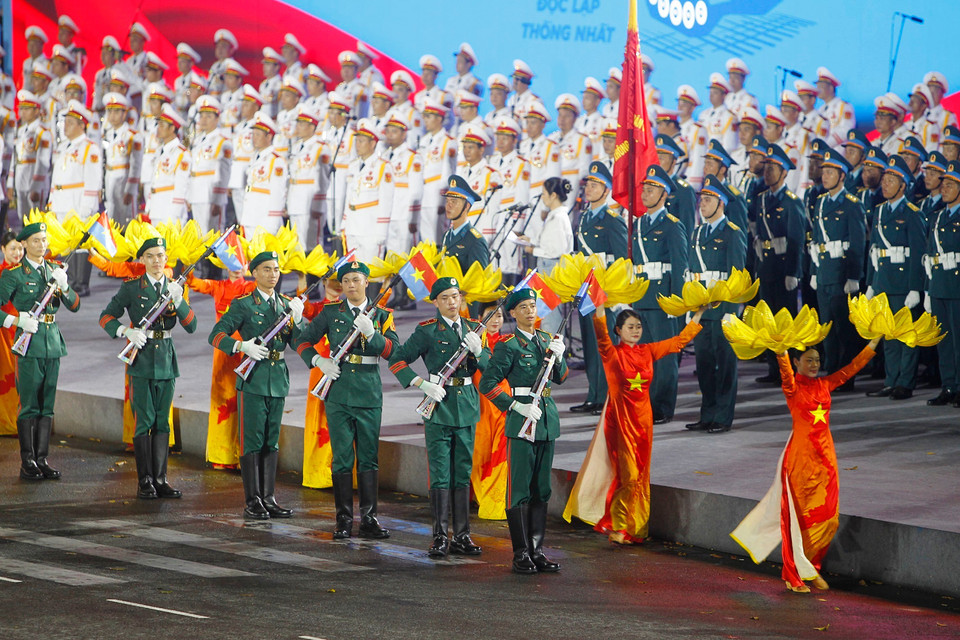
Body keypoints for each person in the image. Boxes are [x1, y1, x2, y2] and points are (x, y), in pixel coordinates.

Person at [731, 338, 879, 593]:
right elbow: (785, 372)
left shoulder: (824, 384)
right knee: (799, 519)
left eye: (817, 360)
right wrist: (781, 350)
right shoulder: (792, 388)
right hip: (800, 460)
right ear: (797, 361)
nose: (814, 364)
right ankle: (794, 574)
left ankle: (810, 567)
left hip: (826, 459)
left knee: (828, 518)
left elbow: (852, 368)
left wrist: (874, 341)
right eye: (808, 359)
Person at [566, 303, 705, 544]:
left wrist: (700, 313)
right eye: (630, 327)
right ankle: (618, 526)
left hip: (644, 421)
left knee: (640, 474)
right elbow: (601, 333)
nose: (635, 330)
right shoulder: (611, 353)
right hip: (620, 420)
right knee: (627, 474)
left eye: (638, 326)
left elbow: (679, 342)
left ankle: (634, 527)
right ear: (618, 330)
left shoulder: (648, 351)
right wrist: (601, 308)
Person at [295, 260, 398, 538]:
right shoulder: (331, 312)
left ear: (367, 282)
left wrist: (371, 333)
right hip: (338, 393)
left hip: (368, 392)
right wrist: (318, 360)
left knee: (368, 458)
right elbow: (303, 340)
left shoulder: (382, 314)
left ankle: (369, 518)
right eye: (347, 280)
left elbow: (394, 351)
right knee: (342, 457)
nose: (352, 285)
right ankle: (343, 519)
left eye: (357, 279)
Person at [389, 277, 488, 557]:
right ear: (436, 302)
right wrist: (421, 383)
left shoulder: (472, 329)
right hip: (439, 406)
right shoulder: (428, 331)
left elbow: (491, 369)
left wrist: (479, 351)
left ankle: (463, 535)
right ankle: (441, 535)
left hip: (467, 405)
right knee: (441, 474)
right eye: (445, 298)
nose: (452, 303)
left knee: (462, 473)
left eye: (455, 297)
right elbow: (397, 360)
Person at [209, 250, 305, 519]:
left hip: (277, 380)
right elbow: (215, 336)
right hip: (252, 380)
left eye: (276, 270)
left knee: (271, 442)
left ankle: (269, 498)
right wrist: (241, 346)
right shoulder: (243, 305)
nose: (272, 274)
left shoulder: (285, 304)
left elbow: (299, 342)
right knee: (252, 441)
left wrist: (299, 320)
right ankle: (252, 500)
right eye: (266, 269)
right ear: (255, 273)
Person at [100, 237, 197, 499]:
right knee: (144, 422)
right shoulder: (132, 288)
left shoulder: (174, 289)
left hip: (166, 360)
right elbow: (106, 316)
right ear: (142, 260)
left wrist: (179, 301)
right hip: (141, 361)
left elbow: (192, 326)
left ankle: (161, 479)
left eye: (161, 256)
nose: (157, 261)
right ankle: (145, 480)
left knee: (162, 422)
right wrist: (125, 331)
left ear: (167, 260)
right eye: (151, 256)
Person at [478, 287, 567, 573]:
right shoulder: (509, 345)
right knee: (520, 489)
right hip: (522, 421)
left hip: (546, 420)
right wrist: (514, 406)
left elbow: (561, 377)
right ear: (513, 313)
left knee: (542, 488)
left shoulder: (545, 340)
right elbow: (487, 385)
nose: (531, 311)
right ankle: (520, 553)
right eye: (524, 307)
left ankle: (537, 550)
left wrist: (560, 355)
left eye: (533, 305)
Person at [0, 222, 79, 479]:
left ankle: (42, 458)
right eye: (36, 241)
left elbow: (75, 306)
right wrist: (16, 321)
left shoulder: (55, 270)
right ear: (24, 244)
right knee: (30, 405)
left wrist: (65, 286)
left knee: (47, 405)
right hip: (29, 343)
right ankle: (28, 462)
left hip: (52, 343)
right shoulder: (14, 274)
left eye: (44, 240)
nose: (42, 245)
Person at [686, 176, 747, 434]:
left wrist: (734, 311)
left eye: (708, 200)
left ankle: (722, 416)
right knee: (705, 365)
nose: (702, 204)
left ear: (720, 203)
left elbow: (737, 276)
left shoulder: (732, 233)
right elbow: (692, 272)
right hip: (702, 309)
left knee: (725, 364)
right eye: (701, 199)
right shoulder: (698, 232)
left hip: (723, 308)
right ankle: (707, 413)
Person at [865, 156, 925, 400]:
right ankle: (891, 380)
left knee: (906, 335)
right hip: (883, 281)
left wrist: (915, 288)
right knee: (888, 335)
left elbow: (918, 253)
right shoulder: (879, 212)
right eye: (885, 179)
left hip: (903, 284)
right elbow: (874, 251)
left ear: (903, 185)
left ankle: (905, 382)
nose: (885, 184)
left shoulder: (911, 212)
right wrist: (871, 283)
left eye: (891, 180)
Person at [632, 165, 689, 424]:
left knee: (665, 357)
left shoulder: (672, 225)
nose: (645, 192)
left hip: (663, 298)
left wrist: (677, 302)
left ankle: (663, 408)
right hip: (642, 296)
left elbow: (680, 267)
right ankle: (647, 404)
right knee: (644, 356)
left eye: (652, 188)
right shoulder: (639, 223)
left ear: (664, 194)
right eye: (644, 188)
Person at [185, 265, 256, 469]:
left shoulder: (251, 288)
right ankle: (223, 455)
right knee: (223, 400)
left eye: (241, 264)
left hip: (246, 350)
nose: (237, 269)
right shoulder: (217, 286)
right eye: (232, 264)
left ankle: (243, 454)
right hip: (224, 351)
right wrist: (188, 262)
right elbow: (193, 283)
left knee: (244, 401)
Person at [572, 161, 627, 415]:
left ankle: (607, 395)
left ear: (606, 190)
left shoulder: (613, 219)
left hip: (603, 290)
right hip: (586, 289)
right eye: (588, 185)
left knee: (605, 344)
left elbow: (621, 260)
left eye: (595, 185)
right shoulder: (584, 217)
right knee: (590, 345)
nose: (589, 189)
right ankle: (594, 394)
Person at [809, 150, 867, 386]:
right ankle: (831, 371)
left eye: (831, 172)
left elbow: (857, 243)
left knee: (844, 328)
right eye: (824, 172)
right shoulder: (821, 202)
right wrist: (814, 271)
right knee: (827, 328)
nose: (825, 176)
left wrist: (854, 276)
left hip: (842, 273)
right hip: (824, 272)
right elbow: (816, 241)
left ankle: (846, 375)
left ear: (842, 176)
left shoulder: (851, 204)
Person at [753, 144, 806, 385]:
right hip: (767, 266)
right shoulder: (762, 199)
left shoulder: (792, 201)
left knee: (785, 320)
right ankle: (773, 368)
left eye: (773, 168)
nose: (768, 172)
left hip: (784, 266)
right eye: (766, 168)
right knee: (768, 320)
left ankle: (788, 370)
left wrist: (793, 271)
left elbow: (796, 240)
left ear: (785, 172)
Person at [516, 177, 574, 334]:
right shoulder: (554, 215)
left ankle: (553, 353)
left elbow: (556, 250)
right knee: (546, 314)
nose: (542, 197)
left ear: (553, 195)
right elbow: (550, 242)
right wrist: (531, 240)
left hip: (552, 269)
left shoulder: (559, 217)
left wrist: (532, 250)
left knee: (550, 316)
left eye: (544, 194)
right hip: (547, 268)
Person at [923, 162, 960, 407]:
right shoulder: (937, 216)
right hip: (939, 286)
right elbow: (928, 256)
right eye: (943, 184)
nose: (943, 189)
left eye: (950, 185)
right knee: (944, 342)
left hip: (957, 286)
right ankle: (949, 386)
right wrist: (927, 288)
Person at [470, 301, 508, 520]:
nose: (495, 320)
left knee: (501, 452)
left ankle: (496, 500)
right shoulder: (476, 341)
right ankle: (480, 494)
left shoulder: (508, 342)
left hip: (504, 402)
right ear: (479, 318)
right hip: (481, 404)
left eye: (499, 316)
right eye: (490, 315)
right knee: (481, 452)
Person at [188, 96, 233, 233]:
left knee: (214, 233)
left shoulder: (222, 141)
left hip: (211, 194)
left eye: (208, 116)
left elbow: (224, 173)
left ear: (217, 118)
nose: (204, 120)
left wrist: (218, 199)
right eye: (201, 116)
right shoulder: (198, 140)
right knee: (199, 234)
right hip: (196, 192)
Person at [240, 112, 288, 235]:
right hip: (250, 217)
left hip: (264, 220)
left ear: (269, 137)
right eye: (253, 134)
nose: (253, 138)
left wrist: (273, 223)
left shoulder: (275, 160)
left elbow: (278, 193)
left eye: (257, 134)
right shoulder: (256, 157)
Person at [101, 93, 143, 226]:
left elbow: (136, 164)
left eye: (116, 111)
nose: (112, 115)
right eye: (110, 111)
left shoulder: (132, 135)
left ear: (124, 114)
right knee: (111, 216)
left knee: (126, 217)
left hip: (124, 179)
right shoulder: (105, 134)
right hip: (109, 177)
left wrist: (131, 188)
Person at [0, 231, 23, 436]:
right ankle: (8, 423)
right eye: (12, 248)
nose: (17, 252)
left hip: (24, 331)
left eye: (20, 248)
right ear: (3, 250)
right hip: (4, 333)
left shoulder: (27, 271)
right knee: (7, 376)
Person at [440, 175, 490, 270]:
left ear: (467, 206)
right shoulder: (446, 236)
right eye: (447, 201)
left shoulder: (475, 240)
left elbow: (479, 280)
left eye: (454, 202)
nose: (448, 206)